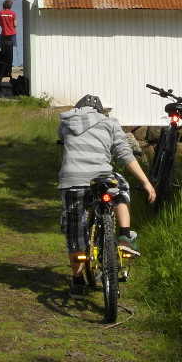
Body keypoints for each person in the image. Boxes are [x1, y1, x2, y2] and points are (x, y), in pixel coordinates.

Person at [58, 94, 155, 297]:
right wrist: (146, 182)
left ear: (78, 108)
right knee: (120, 188)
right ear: (100, 111)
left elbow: (63, 144)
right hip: (102, 176)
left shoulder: (66, 121)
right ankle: (125, 235)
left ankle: (77, 282)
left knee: (76, 233)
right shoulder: (109, 123)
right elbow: (124, 153)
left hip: (73, 180)